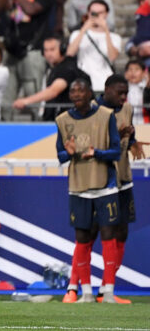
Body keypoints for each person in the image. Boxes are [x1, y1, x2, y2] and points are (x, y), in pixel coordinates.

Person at [55, 77, 120, 304]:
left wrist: (97, 153)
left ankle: (108, 291)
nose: (76, 94)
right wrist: (70, 152)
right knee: (82, 239)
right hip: (78, 187)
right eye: (73, 91)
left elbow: (116, 151)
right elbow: (60, 156)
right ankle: (86, 293)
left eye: (80, 90)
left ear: (90, 93)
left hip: (105, 186)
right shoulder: (62, 120)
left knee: (108, 237)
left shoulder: (106, 116)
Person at [91, 74, 143, 304]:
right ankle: (76, 289)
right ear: (107, 89)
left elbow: (129, 136)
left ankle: (106, 288)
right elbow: (90, 146)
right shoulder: (92, 110)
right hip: (99, 180)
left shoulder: (127, 109)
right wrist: (116, 136)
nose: (124, 98)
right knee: (90, 234)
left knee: (122, 232)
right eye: (120, 93)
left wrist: (132, 142)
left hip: (123, 177)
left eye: (126, 93)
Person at [0, 0, 56, 120]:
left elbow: (30, 9)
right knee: (7, 95)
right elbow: (0, 7)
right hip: (12, 49)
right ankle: (5, 126)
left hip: (33, 51)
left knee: (32, 94)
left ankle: (36, 128)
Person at [13, 36, 84, 121]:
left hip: (69, 121)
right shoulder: (51, 69)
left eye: (52, 49)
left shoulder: (67, 68)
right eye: (46, 50)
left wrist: (26, 101)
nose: (49, 54)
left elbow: (53, 91)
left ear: (62, 49)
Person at [66, 0, 120, 93]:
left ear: (106, 14)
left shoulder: (114, 37)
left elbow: (112, 57)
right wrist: (84, 29)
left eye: (100, 13)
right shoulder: (77, 34)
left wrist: (106, 30)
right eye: (93, 13)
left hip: (105, 82)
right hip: (84, 82)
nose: (97, 16)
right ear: (88, 13)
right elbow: (70, 53)